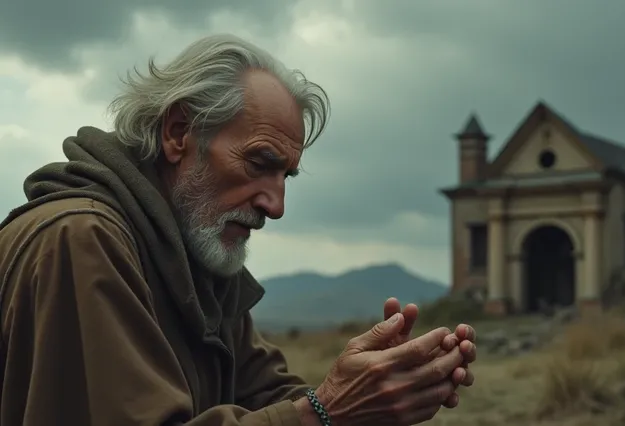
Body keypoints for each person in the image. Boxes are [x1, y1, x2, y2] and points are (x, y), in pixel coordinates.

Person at [0, 34, 477, 426]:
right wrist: (328, 411)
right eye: (259, 163)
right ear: (179, 132)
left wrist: (379, 384)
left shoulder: (195, 254)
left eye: (285, 176)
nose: (276, 206)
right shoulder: (83, 240)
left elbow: (266, 393)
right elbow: (315, 411)